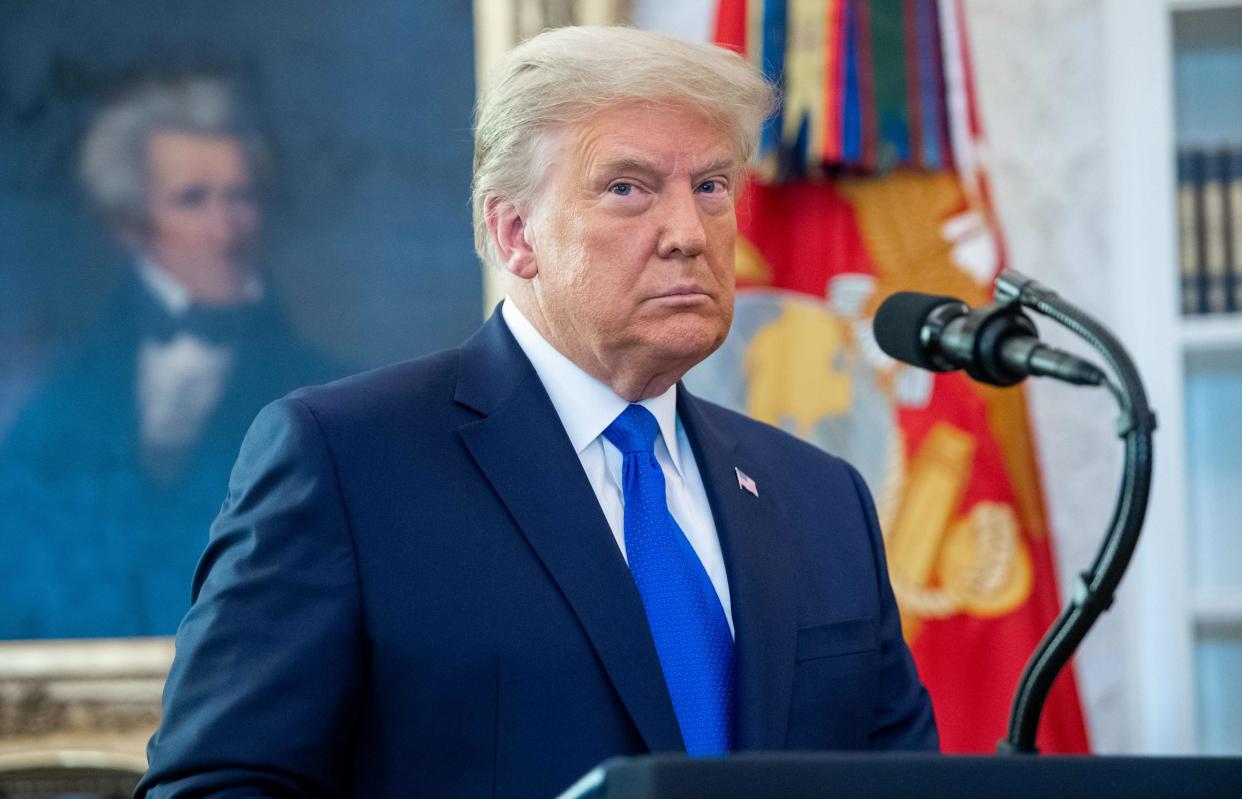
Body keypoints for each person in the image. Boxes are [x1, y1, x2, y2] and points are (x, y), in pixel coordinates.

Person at [138, 27, 936, 798]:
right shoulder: (346, 462)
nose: (689, 234)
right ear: (515, 233)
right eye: (628, 188)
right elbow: (215, 784)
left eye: (712, 186)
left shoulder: (823, 498)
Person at [0, 76, 338, 639]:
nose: (226, 230)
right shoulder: (51, 403)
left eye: (241, 197)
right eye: (193, 200)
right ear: (130, 226)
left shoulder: (331, 395)